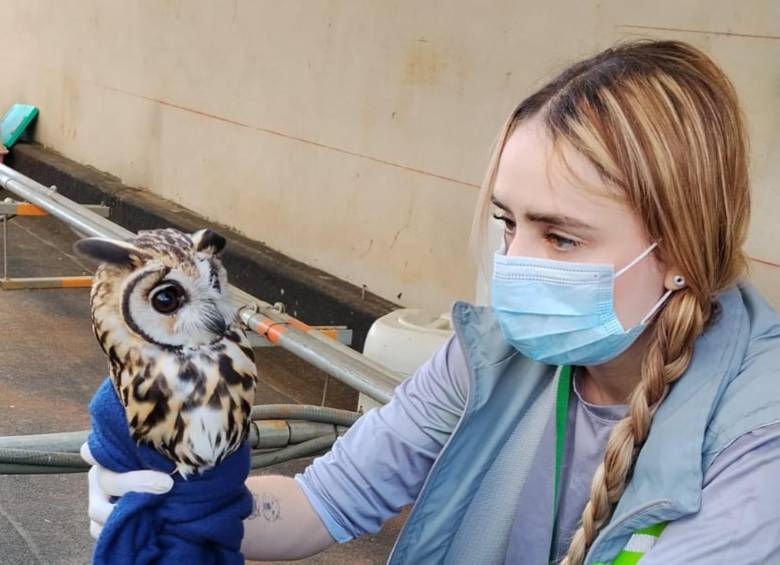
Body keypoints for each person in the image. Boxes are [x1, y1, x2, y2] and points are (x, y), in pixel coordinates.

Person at [83, 40, 780, 564]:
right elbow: (327, 500)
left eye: (562, 237)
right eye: (510, 223)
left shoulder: (759, 429)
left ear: (680, 254)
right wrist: (182, 506)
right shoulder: (492, 355)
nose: (516, 264)